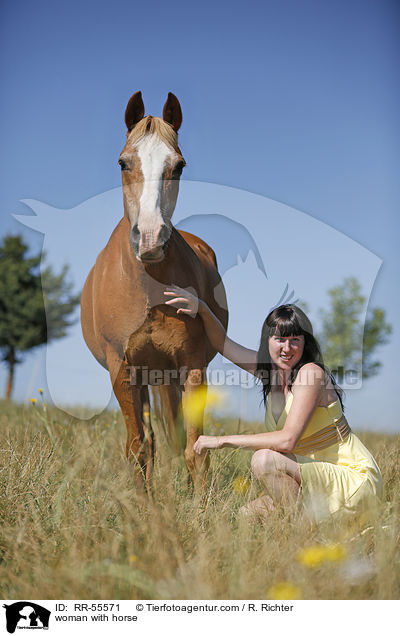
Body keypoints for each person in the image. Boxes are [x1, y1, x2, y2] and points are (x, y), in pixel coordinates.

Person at [164, 286, 383, 522]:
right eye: (280, 339)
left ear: (305, 343)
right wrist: (203, 308)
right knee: (246, 516)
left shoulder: (311, 374)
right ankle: (306, 529)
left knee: (263, 459)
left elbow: (288, 441)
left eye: (294, 340)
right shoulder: (270, 372)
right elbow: (222, 344)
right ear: (267, 341)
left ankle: (306, 534)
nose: (287, 349)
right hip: (314, 478)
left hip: (351, 481)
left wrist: (221, 440)